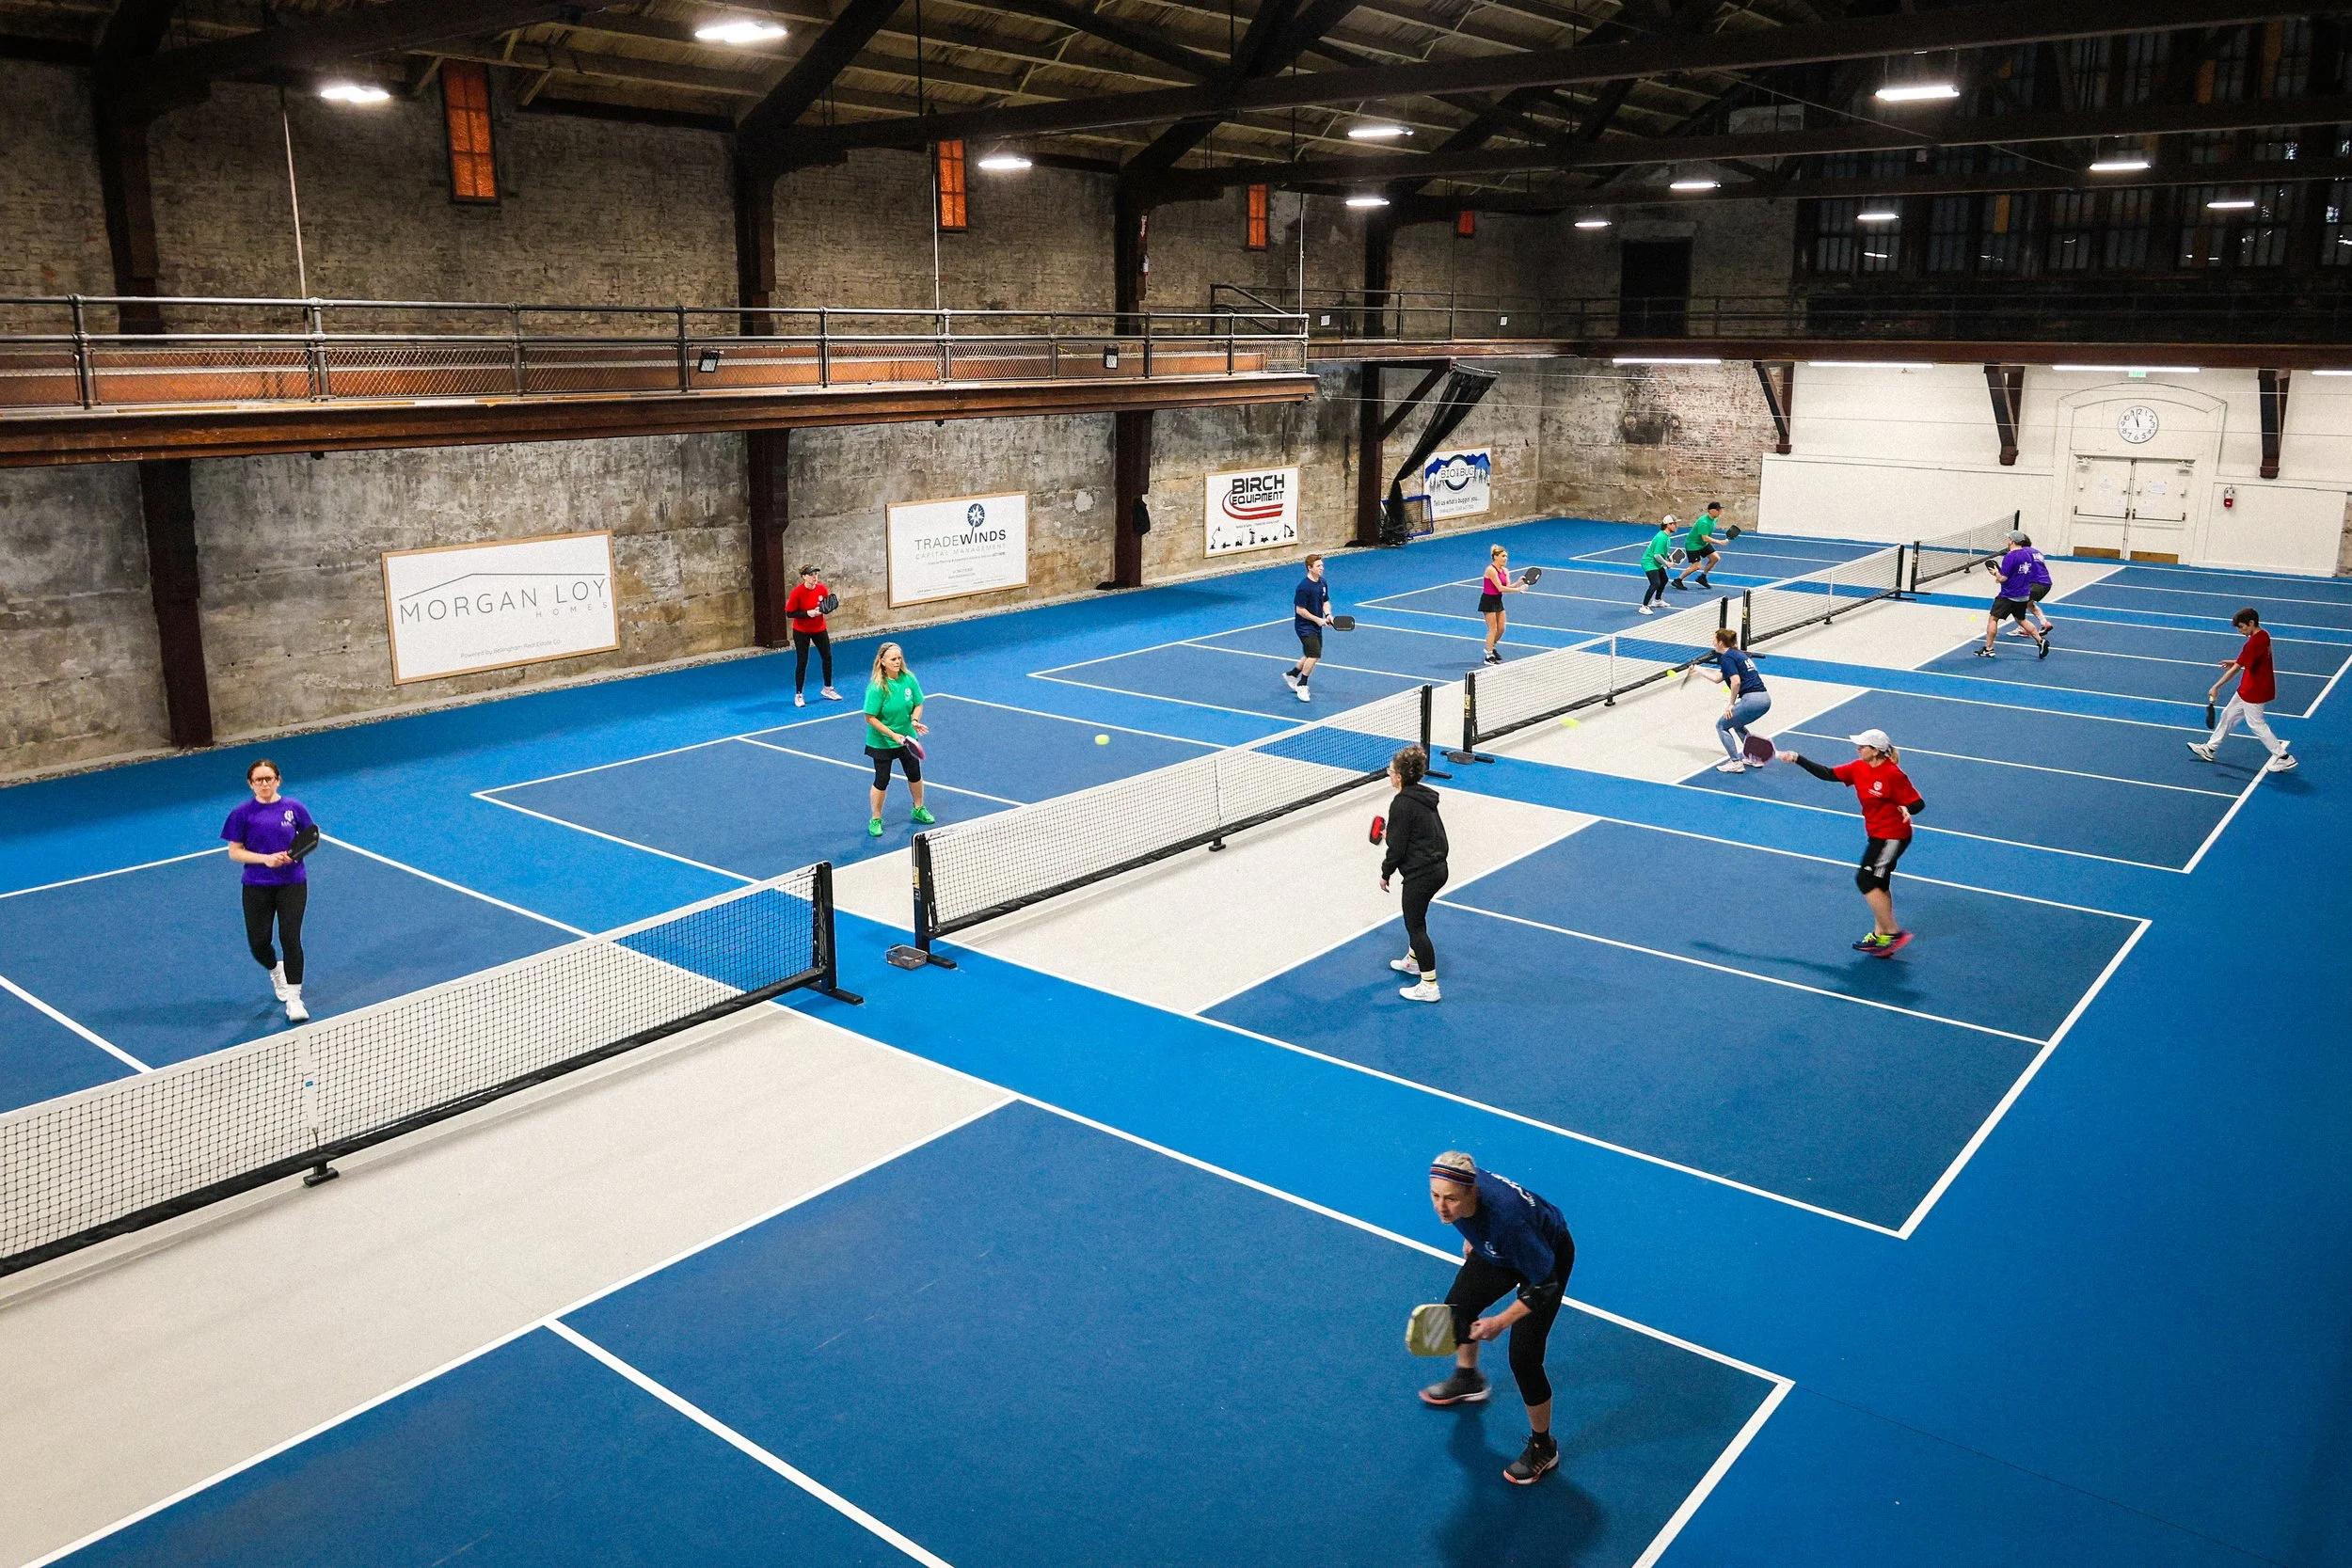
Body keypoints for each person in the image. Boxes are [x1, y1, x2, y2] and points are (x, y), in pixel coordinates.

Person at [1419, 1150, 1576, 1486]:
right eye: (1435, 1196)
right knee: (1457, 1311)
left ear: (1472, 1193)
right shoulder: (1461, 1183)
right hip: (1499, 1247)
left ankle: (1543, 1446)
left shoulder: (1509, 1220)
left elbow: (1544, 1285)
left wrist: (1499, 1322)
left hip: (1546, 1259)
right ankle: (1469, 1378)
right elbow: (1467, 1215)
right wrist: (1471, 1235)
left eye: (1450, 1199)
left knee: (1524, 1359)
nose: (1441, 1207)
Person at [1777, 728, 1926, 957]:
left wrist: (1907, 807)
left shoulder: (1893, 774)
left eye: (1862, 746)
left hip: (1893, 836)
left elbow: (1918, 803)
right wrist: (1798, 758)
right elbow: (1828, 774)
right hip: (1877, 834)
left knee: (1865, 879)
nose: (1857, 749)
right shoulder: (1858, 768)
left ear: (1875, 751)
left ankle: (1894, 933)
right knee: (1880, 882)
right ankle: (1880, 936)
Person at [221, 758, 315, 1023]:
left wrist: (294, 856)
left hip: (292, 883)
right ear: (251, 784)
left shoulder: (294, 808)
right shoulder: (241, 814)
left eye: (269, 778)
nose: (264, 783)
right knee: (259, 942)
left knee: (290, 938)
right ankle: (276, 970)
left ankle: (295, 999)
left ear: (278, 780)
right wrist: (265, 859)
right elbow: (235, 852)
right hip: (256, 886)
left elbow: (310, 839)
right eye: (259, 780)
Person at [1379, 746, 1449, 1004]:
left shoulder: (1401, 803)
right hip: (1438, 868)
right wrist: (1395, 835)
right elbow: (1418, 833)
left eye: (1391, 771)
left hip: (1422, 874)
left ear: (1399, 776)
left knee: (1415, 926)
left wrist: (1385, 872)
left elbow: (1397, 849)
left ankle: (1429, 985)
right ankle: (1413, 960)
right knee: (1417, 916)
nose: (1389, 774)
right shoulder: (1424, 797)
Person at [2191, 608, 2296, 773]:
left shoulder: (2253, 642)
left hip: (2254, 690)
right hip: (2250, 687)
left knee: (2256, 724)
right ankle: (2210, 749)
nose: (2240, 631)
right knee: (2228, 715)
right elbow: (2250, 659)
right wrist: (2235, 661)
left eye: (2242, 627)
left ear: (2251, 623)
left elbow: (2238, 668)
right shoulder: (2264, 635)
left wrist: (2216, 686)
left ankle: (2284, 757)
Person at [863, 642, 934, 837]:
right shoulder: (877, 687)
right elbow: (870, 718)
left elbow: (918, 703)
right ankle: (876, 819)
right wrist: (893, 735)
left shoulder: (908, 680)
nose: (897, 662)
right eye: (893, 659)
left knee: (914, 773)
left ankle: (918, 808)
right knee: (882, 779)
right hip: (882, 741)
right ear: (882, 661)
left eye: (899, 658)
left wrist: (915, 720)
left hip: (908, 738)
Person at [1697, 627, 1770, 773]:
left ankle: (1735, 762)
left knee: (1721, 726)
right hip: (1764, 699)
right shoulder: (1737, 655)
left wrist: (1730, 704)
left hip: (1752, 700)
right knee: (1738, 724)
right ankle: (1754, 757)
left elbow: (1735, 682)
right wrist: (1698, 669)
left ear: (1720, 642)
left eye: (1714, 639)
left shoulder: (1727, 658)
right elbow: (1718, 678)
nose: (1713, 641)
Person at [1977, 536, 2048, 659]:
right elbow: (2019, 573)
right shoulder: (2028, 555)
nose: (2007, 540)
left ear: (2012, 541)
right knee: (2021, 620)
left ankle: (1988, 649)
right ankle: (2040, 641)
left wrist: (1995, 573)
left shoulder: (2010, 556)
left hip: (2008, 595)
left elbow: (2002, 578)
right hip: (2023, 594)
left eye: (2009, 538)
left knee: (1993, 619)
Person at [783, 564, 842, 708]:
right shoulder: (797, 592)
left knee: (827, 657)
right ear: (804, 577)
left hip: (819, 629)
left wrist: (822, 611)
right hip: (801, 631)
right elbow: (789, 613)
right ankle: (799, 694)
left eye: (815, 574)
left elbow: (826, 605)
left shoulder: (822, 589)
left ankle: (828, 689)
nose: (814, 577)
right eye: (811, 574)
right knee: (802, 662)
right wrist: (807, 613)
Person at [1284, 553, 1336, 705]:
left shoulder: (1323, 583)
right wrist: (1317, 619)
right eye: (1318, 566)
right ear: (1309, 568)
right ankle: (1302, 684)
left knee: (1310, 654)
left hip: (1316, 624)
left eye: (1322, 565)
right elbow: (1300, 610)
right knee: (1314, 654)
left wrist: (1328, 615)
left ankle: (1292, 675)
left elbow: (1325, 602)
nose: (1322, 568)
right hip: (1304, 626)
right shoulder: (1303, 587)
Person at [1477, 545, 1527, 665]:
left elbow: (1507, 586)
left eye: (1506, 556)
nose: (1505, 558)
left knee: (1501, 629)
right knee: (1493, 629)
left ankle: (1491, 647)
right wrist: (1519, 590)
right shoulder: (1490, 570)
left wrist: (1518, 583)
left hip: (1498, 601)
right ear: (1495, 557)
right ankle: (1488, 656)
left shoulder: (1505, 571)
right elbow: (1499, 588)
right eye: (1503, 556)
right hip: (1488, 601)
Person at [1671, 501, 1725, 590]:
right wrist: (1719, 542)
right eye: (1718, 510)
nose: (1720, 511)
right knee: (1696, 566)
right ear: (1711, 511)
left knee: (1715, 558)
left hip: (1702, 544)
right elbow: (1705, 538)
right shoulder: (1704, 522)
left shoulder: (1715, 519)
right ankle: (1678, 580)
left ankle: (1702, 577)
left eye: (1720, 509)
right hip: (1693, 544)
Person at [1637, 516, 1676, 616]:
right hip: (1649, 562)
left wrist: (1668, 556)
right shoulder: (1661, 537)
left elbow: (1662, 551)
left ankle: (1657, 600)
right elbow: (1656, 555)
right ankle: (1644, 606)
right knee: (1655, 583)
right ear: (1668, 525)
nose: (1676, 526)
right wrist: (1667, 563)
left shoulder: (1666, 536)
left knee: (1664, 579)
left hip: (1655, 562)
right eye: (1674, 524)